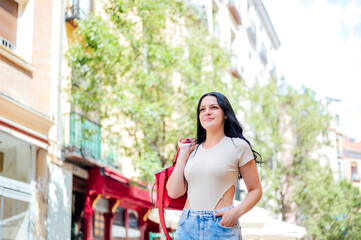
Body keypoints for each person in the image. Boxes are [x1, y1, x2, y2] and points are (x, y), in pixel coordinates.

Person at [166, 92, 262, 240]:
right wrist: (183, 155)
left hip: (221, 226)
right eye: (202, 109)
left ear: (225, 113)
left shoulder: (238, 146)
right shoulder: (192, 150)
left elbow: (255, 190)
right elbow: (173, 192)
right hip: (187, 226)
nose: (207, 112)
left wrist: (235, 213)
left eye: (214, 107)